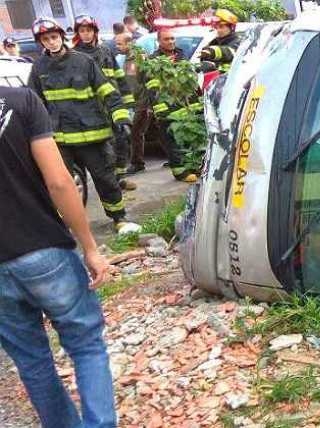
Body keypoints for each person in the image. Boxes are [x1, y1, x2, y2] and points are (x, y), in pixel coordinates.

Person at [0, 85, 116, 428]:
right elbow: (60, 183)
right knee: (86, 345)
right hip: (42, 248)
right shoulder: (20, 101)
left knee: (32, 362)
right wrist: (90, 247)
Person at [27, 17, 139, 230]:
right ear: (40, 42)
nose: (51, 42)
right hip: (60, 139)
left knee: (105, 179)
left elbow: (107, 91)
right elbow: (32, 101)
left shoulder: (83, 62)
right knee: (61, 185)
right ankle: (66, 225)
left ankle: (119, 219)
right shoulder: (38, 67)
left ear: (61, 37)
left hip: (93, 136)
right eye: (46, 39)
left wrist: (121, 116)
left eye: (53, 37)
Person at [72, 14, 137, 184]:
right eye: (82, 31)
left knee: (122, 139)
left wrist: (128, 104)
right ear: (78, 33)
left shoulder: (105, 51)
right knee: (104, 148)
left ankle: (120, 178)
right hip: (92, 108)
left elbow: (119, 77)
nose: (86, 34)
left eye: (89, 30)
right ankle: (110, 182)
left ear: (95, 32)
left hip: (113, 105)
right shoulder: (74, 55)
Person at [143, 28, 199, 183]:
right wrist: (160, 110)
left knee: (187, 138)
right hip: (166, 106)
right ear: (159, 41)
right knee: (172, 140)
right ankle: (180, 173)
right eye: (167, 39)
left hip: (184, 104)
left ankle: (193, 167)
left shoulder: (181, 55)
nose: (171, 42)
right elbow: (152, 86)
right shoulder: (154, 61)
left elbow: (190, 78)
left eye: (173, 38)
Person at [114, 33, 148, 175]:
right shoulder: (130, 58)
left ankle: (137, 163)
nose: (117, 47)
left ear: (129, 44)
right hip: (138, 101)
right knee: (141, 132)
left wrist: (129, 101)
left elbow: (134, 83)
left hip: (140, 101)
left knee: (135, 132)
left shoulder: (136, 58)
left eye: (119, 44)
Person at [199, 9, 241, 73]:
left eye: (221, 27)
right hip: (214, 81)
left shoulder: (238, 41)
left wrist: (212, 52)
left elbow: (229, 52)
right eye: (216, 27)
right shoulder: (214, 42)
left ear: (231, 27)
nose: (218, 30)